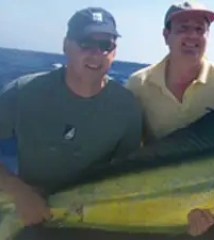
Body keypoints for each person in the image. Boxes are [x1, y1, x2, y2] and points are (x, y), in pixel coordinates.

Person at [0, 7, 142, 239]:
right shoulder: (23, 91)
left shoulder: (127, 107)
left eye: (106, 45)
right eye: (86, 43)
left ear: (114, 52)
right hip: (28, 214)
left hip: (91, 221)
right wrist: (19, 191)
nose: (96, 53)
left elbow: (126, 175)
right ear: (66, 45)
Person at [126, 1, 214, 239]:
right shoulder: (139, 84)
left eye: (200, 30)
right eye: (183, 28)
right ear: (166, 35)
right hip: (161, 200)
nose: (192, 36)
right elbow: (132, 154)